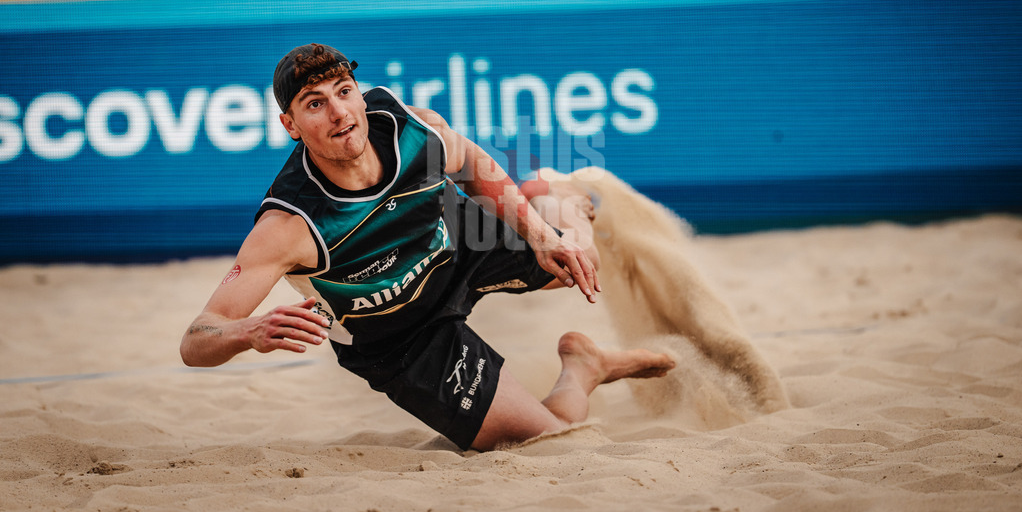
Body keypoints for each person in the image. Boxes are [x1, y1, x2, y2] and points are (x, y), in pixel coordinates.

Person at [180, 43, 675, 451]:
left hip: (456, 244)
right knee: (550, 442)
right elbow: (197, 339)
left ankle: (559, 206)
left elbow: (472, 163)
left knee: (572, 256)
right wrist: (248, 330)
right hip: (401, 340)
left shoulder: (409, 129)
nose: (338, 113)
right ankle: (584, 367)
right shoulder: (289, 224)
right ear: (291, 125)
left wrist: (543, 238)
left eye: (344, 92)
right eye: (314, 103)